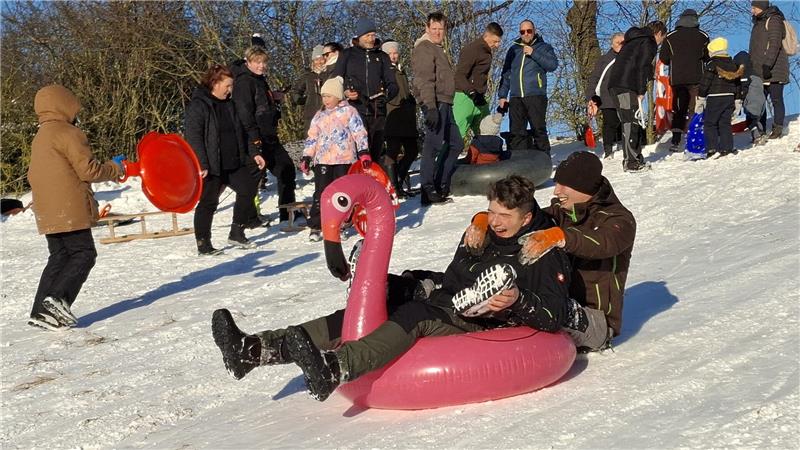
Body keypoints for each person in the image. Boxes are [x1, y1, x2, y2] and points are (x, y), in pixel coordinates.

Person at [212, 175, 590, 401]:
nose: (494, 221)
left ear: (526, 217)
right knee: (376, 303)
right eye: (490, 211)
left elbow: (554, 314)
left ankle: (336, 368)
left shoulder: (541, 252)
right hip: (450, 301)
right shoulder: (481, 232)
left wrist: (516, 300)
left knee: (415, 315)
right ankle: (254, 349)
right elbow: (455, 277)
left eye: (504, 217)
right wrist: (412, 280)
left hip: (486, 322)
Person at [464, 152, 635, 351]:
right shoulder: (561, 212)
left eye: (564, 185)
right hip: (558, 302)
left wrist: (559, 237)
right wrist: (484, 219)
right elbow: (520, 216)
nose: (556, 191)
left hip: (595, 319)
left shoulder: (619, 220)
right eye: (556, 183)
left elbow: (603, 243)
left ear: (585, 186)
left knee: (550, 307)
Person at [26, 84, 126, 330]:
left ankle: (41, 311)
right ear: (64, 105)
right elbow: (88, 170)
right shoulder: (68, 133)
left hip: (48, 210)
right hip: (69, 207)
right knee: (83, 253)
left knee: (59, 256)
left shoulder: (40, 137)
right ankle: (58, 300)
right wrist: (114, 168)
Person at [185, 64, 267, 255]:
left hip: (233, 161)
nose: (230, 90)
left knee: (247, 189)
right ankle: (203, 243)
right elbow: (193, 136)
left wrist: (254, 152)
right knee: (208, 202)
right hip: (212, 165)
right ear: (215, 82)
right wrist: (202, 163)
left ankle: (237, 232)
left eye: (232, 86)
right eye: (227, 86)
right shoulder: (199, 105)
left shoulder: (231, 104)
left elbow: (243, 129)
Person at [231, 45, 297, 222]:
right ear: (248, 62)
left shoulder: (259, 80)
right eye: (257, 62)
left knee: (287, 170)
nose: (261, 66)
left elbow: (260, 103)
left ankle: (287, 211)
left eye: (264, 62)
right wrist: (253, 138)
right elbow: (244, 112)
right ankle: (248, 218)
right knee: (253, 178)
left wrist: (272, 97)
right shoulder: (244, 82)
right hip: (255, 137)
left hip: (269, 134)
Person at [300, 77, 371, 242]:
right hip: (323, 160)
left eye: (329, 96)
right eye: (323, 96)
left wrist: (363, 151)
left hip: (344, 159)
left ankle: (342, 224)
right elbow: (312, 137)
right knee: (321, 193)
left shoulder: (349, 112)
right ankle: (317, 225)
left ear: (338, 96)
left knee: (342, 195)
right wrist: (307, 156)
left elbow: (359, 132)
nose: (325, 100)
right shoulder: (319, 115)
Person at [411, 12, 464, 205]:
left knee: (456, 143)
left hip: (446, 102)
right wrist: (430, 107)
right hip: (435, 102)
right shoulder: (425, 48)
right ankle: (427, 188)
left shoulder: (438, 48)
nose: (437, 32)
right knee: (432, 145)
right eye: (434, 29)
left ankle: (440, 184)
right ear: (427, 28)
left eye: (441, 29)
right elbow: (424, 79)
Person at [331, 18, 398, 162]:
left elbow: (393, 84)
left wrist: (386, 96)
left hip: (377, 112)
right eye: (367, 35)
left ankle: (371, 182)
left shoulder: (382, 57)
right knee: (358, 153)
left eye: (373, 35)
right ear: (359, 36)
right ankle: (356, 182)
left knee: (374, 154)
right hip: (354, 110)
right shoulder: (347, 55)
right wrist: (345, 92)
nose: (371, 39)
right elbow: (335, 81)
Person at [607, 21, 667, 172]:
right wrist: (641, 90)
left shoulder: (633, 41)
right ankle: (631, 161)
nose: (660, 43)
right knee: (630, 121)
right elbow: (642, 66)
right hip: (626, 85)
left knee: (631, 119)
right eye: (662, 38)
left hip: (618, 84)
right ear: (659, 33)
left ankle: (635, 157)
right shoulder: (648, 42)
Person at [497, 20, 559, 155]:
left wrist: (533, 53)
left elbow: (552, 65)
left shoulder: (544, 47)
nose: (526, 34)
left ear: (534, 31)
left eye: (529, 31)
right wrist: (502, 95)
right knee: (516, 133)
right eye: (522, 32)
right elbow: (507, 73)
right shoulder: (513, 49)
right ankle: (518, 165)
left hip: (536, 95)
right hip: (516, 97)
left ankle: (544, 162)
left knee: (538, 129)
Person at [658, 9, 710, 152]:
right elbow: (708, 57)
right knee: (696, 108)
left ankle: (675, 140)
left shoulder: (670, 36)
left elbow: (664, 58)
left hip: (678, 78)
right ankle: (694, 138)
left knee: (679, 109)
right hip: (697, 78)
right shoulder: (703, 36)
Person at [381, 39, 419, 198]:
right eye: (390, 53)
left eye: (395, 52)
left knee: (412, 151)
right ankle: (394, 188)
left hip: (407, 117)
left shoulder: (401, 70)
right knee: (392, 152)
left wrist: (411, 102)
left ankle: (399, 179)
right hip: (393, 116)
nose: (393, 56)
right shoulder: (383, 71)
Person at [453, 22, 504, 138]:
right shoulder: (472, 49)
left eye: (499, 41)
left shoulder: (486, 51)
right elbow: (459, 75)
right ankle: (444, 156)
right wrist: (472, 92)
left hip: (480, 98)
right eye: (495, 41)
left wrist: (479, 94)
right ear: (487, 36)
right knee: (456, 137)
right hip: (464, 96)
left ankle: (485, 156)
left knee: (488, 133)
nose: (497, 45)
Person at [749, 0, 790, 140]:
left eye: (754, 7)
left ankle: (778, 128)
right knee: (759, 100)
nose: (752, 10)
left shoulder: (774, 20)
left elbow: (775, 44)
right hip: (759, 69)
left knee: (776, 99)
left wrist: (768, 64)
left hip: (775, 68)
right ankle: (760, 129)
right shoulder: (758, 22)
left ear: (761, 7)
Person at [697, 38, 743, 158]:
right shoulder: (733, 65)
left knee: (710, 123)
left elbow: (705, 83)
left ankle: (712, 148)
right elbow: (738, 84)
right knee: (725, 123)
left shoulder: (712, 64)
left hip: (714, 97)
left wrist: (701, 98)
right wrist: (738, 99)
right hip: (729, 98)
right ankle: (727, 148)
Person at [586, 32, 625, 159]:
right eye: (618, 42)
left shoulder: (629, 59)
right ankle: (608, 148)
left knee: (625, 121)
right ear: (612, 44)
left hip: (624, 94)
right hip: (607, 96)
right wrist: (590, 98)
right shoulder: (604, 60)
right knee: (610, 122)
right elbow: (594, 78)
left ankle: (622, 143)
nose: (621, 45)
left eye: (623, 42)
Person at [733, 50, 768, 146]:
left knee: (753, 120)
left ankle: (758, 136)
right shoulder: (755, 74)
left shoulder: (745, 75)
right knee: (755, 118)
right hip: (759, 102)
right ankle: (758, 134)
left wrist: (739, 100)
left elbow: (743, 89)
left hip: (752, 102)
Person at [292, 45, 327, 134]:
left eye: (321, 58)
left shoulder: (329, 74)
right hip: (311, 114)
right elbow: (296, 90)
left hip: (328, 113)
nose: (319, 62)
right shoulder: (308, 76)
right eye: (316, 59)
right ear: (313, 61)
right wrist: (300, 100)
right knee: (312, 142)